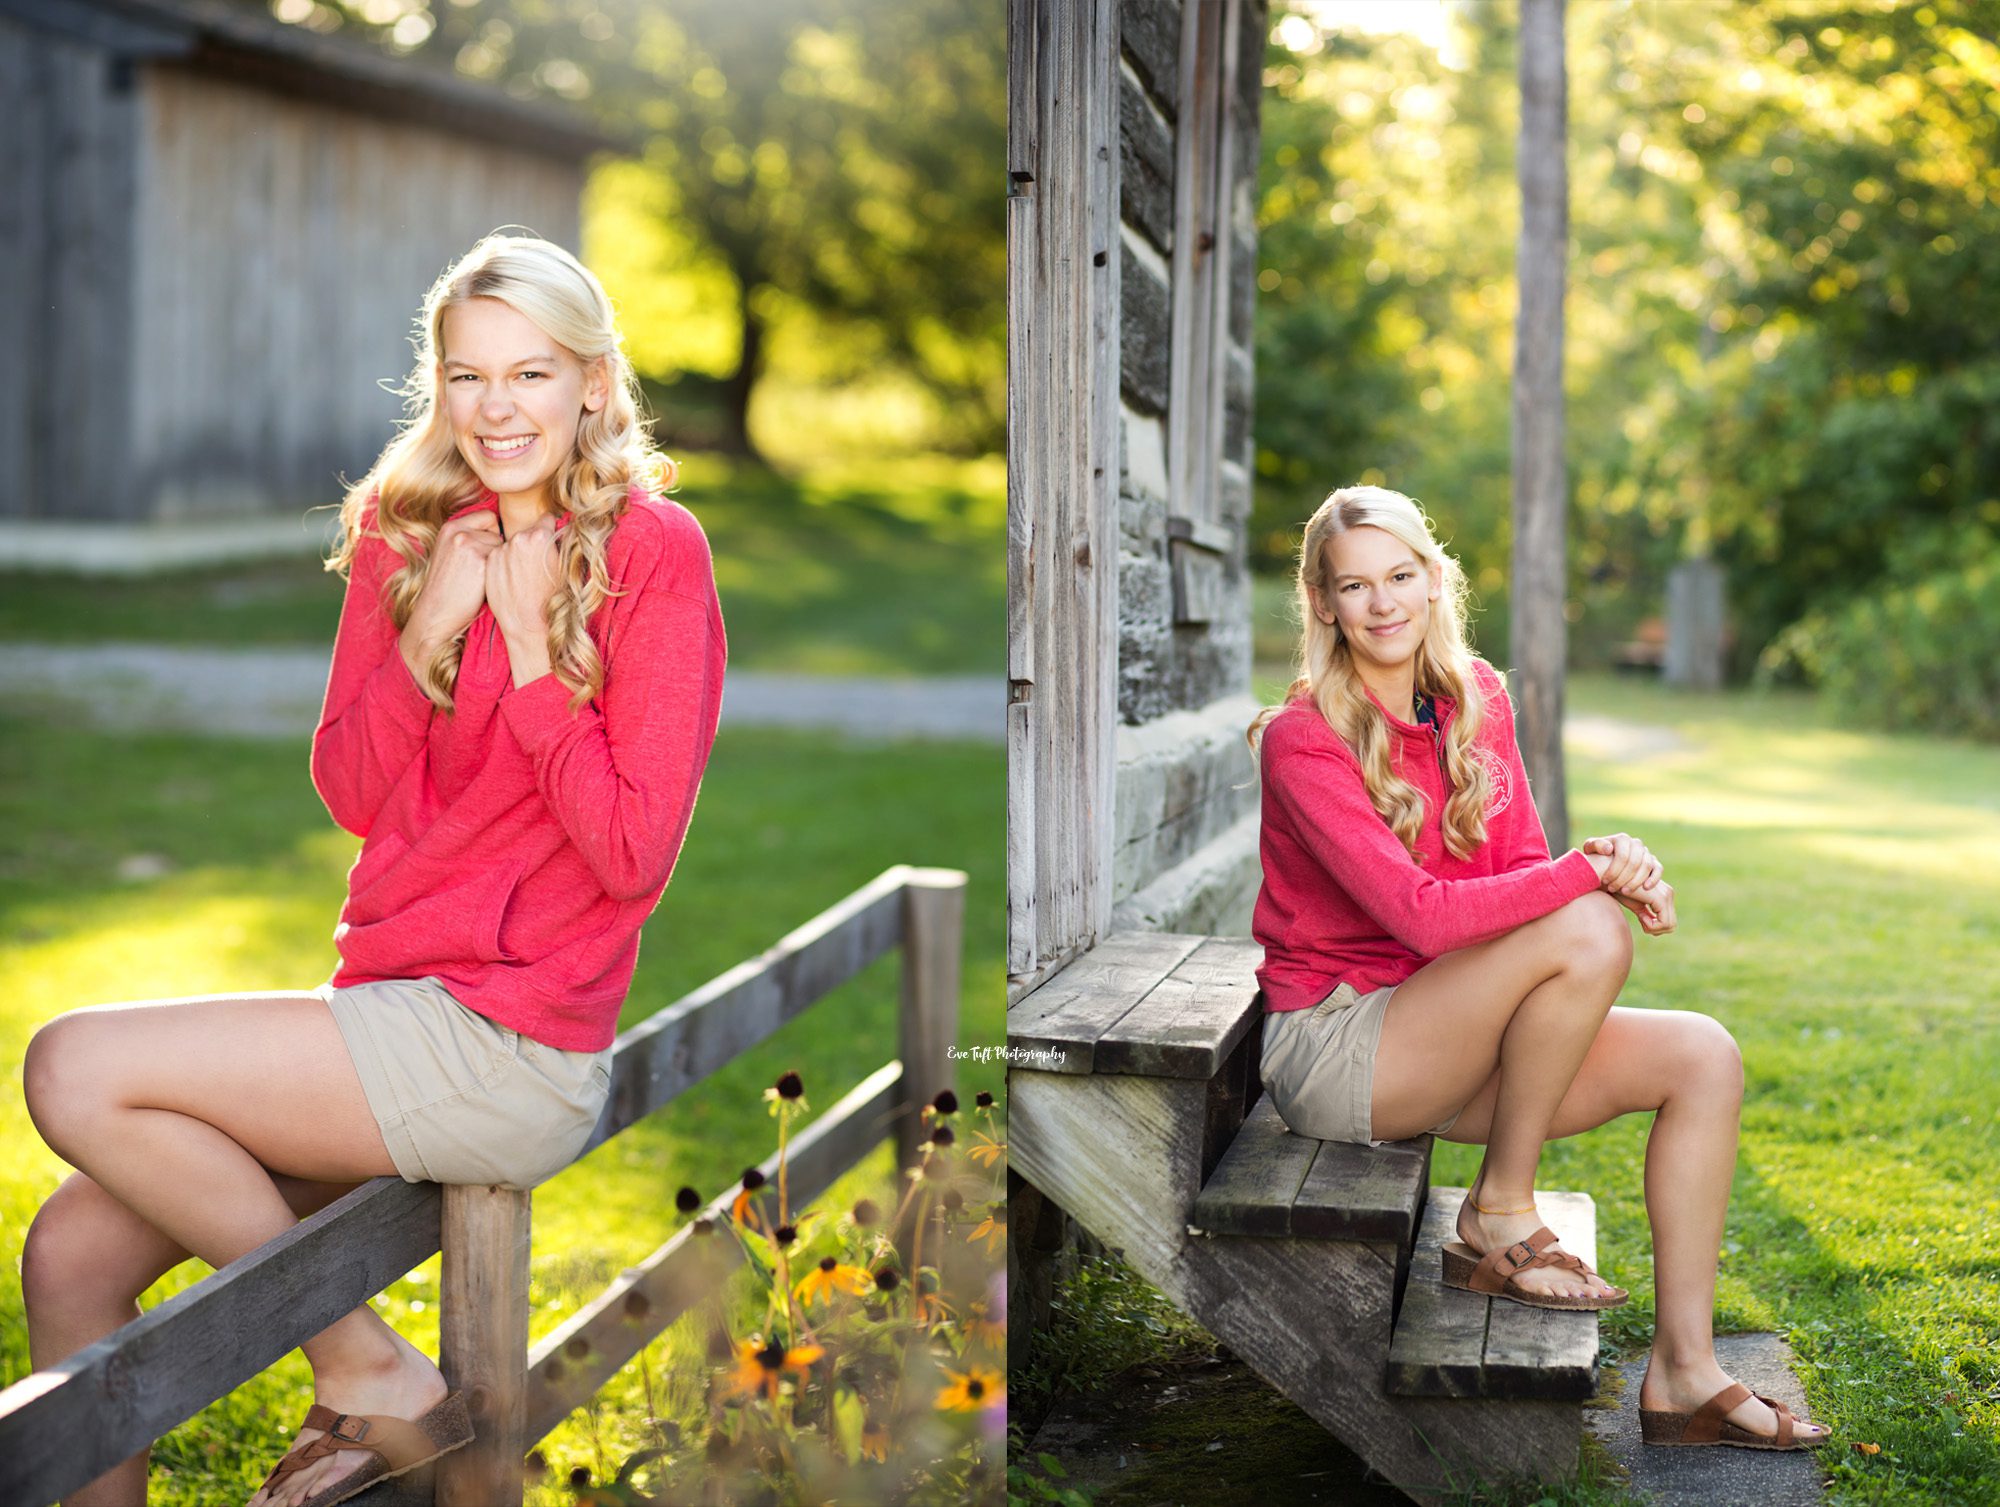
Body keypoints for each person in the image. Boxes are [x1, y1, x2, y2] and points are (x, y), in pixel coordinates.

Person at [18, 232, 727, 1507]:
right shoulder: (402, 531)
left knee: (72, 1062)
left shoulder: (653, 551)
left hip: (510, 1040)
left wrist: (523, 661)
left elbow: (631, 855)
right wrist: (434, 629)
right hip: (382, 1012)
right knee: (68, 1255)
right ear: (437, 384)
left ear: (592, 383)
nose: (497, 408)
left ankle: (361, 1366)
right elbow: (349, 789)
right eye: (467, 376)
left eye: (531, 373)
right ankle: (349, 1366)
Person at [1246, 485, 1828, 1453]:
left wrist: (1593, 861)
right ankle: (1498, 1209)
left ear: (1434, 581)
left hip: (1448, 1032)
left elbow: (1524, 878)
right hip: (1344, 1049)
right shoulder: (1303, 737)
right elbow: (1419, 918)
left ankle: (1684, 1369)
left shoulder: (1477, 695)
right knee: (1590, 926)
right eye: (1354, 585)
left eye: (1400, 576)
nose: (1381, 602)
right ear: (1321, 603)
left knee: (1701, 1055)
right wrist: (1589, 874)